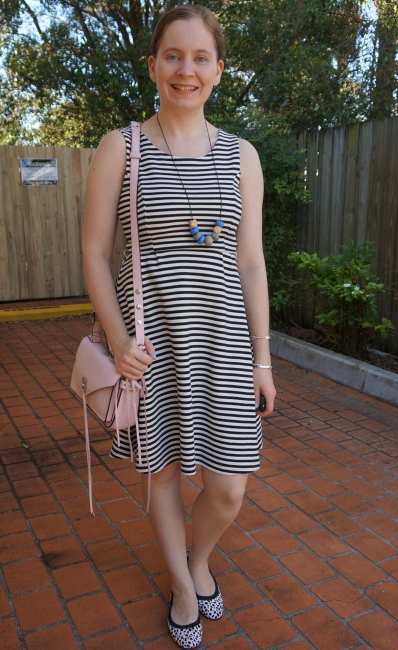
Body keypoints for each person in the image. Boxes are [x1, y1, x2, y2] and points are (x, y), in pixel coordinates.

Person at [82, 4, 276, 648]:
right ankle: (184, 584)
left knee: (228, 488)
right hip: (150, 344)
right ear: (154, 66)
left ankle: (198, 559)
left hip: (223, 341)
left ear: (218, 70)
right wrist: (116, 339)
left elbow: (251, 262)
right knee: (161, 472)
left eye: (199, 58)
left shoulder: (241, 155)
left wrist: (264, 359)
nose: (185, 70)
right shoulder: (122, 146)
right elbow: (95, 253)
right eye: (173, 56)